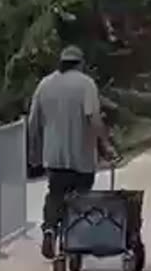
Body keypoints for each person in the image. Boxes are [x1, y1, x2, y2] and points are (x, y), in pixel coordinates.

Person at [27, 45, 113, 259]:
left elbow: (33, 122)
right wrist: (106, 145)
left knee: (55, 194)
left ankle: (50, 229)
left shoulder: (44, 84)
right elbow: (93, 117)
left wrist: (35, 152)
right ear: (81, 63)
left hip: (53, 156)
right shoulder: (86, 84)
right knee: (81, 198)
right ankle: (75, 241)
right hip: (82, 156)